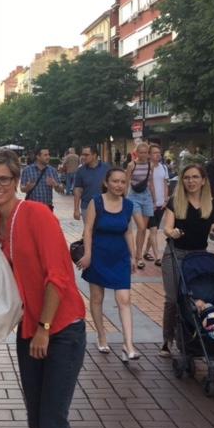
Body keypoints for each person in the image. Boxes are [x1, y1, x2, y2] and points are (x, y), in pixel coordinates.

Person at [0, 150, 86, 428]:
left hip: (60, 329)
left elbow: (58, 276)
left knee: (52, 422)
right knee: (36, 420)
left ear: (16, 180)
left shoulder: (36, 213)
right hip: (30, 330)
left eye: (3, 179)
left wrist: (44, 328)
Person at [78, 168, 139, 362]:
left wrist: (133, 256)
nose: (119, 185)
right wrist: (87, 254)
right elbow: (87, 230)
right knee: (97, 298)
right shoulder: (97, 202)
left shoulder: (128, 205)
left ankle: (128, 344)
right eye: (115, 181)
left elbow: (128, 231)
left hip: (119, 256)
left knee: (124, 299)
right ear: (107, 182)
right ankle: (102, 335)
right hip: (98, 254)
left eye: (123, 182)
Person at [160, 164, 214, 358]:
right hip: (175, 254)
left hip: (199, 256)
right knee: (173, 299)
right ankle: (167, 340)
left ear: (203, 181)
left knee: (200, 296)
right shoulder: (175, 202)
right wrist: (172, 232)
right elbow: (167, 228)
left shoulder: (212, 204)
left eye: (195, 177)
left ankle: (193, 337)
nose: (191, 181)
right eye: (187, 178)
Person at [125, 142, 154, 270]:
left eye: (145, 152)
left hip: (146, 196)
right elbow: (126, 182)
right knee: (141, 226)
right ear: (136, 153)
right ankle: (138, 256)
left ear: (148, 153)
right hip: (133, 197)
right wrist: (123, 198)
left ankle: (139, 255)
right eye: (140, 152)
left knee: (143, 229)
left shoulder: (150, 165)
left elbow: (150, 182)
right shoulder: (132, 165)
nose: (143, 155)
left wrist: (155, 199)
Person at [143, 145, 169, 266]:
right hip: (149, 204)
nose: (158, 155)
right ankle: (158, 257)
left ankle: (146, 252)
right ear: (149, 154)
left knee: (155, 230)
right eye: (154, 153)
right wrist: (152, 202)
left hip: (161, 204)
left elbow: (165, 184)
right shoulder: (146, 168)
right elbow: (149, 185)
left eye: (159, 152)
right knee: (153, 230)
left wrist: (165, 200)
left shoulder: (164, 167)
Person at [74, 145, 110, 225]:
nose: (83, 157)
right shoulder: (80, 171)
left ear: (94, 155)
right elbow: (78, 190)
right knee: (89, 231)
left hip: (105, 206)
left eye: (86, 155)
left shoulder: (107, 168)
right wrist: (76, 209)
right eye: (82, 154)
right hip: (86, 206)